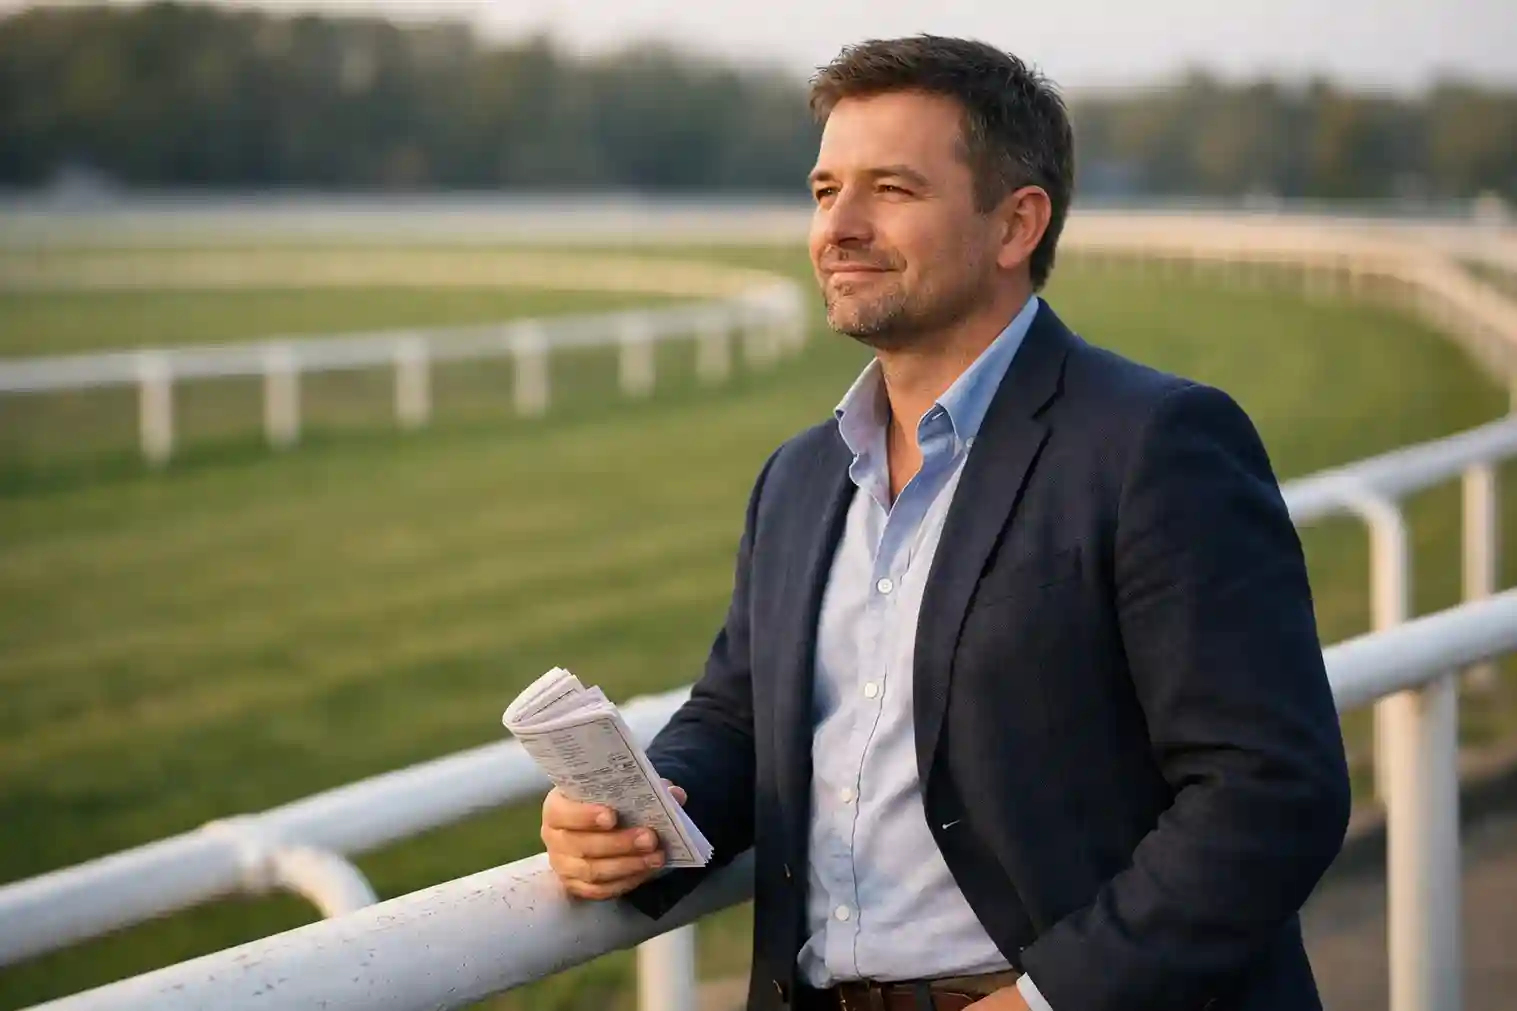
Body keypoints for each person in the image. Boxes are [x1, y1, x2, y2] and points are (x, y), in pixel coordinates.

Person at [540, 35, 1351, 1011]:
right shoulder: (798, 476)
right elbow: (736, 716)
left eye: (890, 190)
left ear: (1014, 225)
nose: (837, 226)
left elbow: (1267, 793)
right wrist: (640, 810)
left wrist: (1041, 1001)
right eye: (822, 189)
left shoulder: (1155, 445)